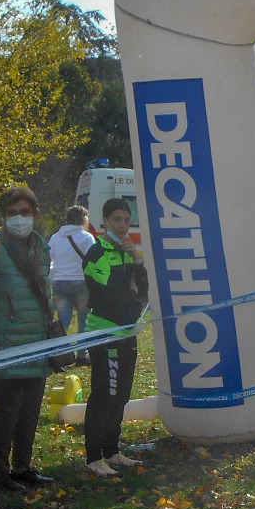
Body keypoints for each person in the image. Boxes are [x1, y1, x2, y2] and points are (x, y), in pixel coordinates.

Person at [0, 185, 57, 494]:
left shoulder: (42, 248)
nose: (19, 218)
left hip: (37, 339)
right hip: (6, 342)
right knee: (7, 412)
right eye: (12, 213)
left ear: (34, 214)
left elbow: (46, 290)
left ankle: (22, 467)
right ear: (3, 217)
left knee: (30, 410)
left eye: (24, 212)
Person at [82, 197, 148, 474]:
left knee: (121, 394)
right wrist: (131, 295)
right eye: (116, 220)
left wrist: (137, 262)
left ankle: (111, 451)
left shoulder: (128, 251)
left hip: (127, 331)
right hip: (104, 332)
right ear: (105, 221)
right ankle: (93, 456)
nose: (122, 226)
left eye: (126, 220)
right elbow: (106, 297)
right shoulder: (96, 252)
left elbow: (144, 291)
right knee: (105, 395)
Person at [48, 205, 95, 358]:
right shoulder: (87, 237)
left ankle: (60, 355)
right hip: (81, 282)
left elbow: (48, 259)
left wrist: (52, 277)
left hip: (60, 282)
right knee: (83, 320)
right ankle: (82, 354)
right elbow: (92, 261)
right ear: (83, 219)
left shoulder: (55, 237)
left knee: (63, 322)